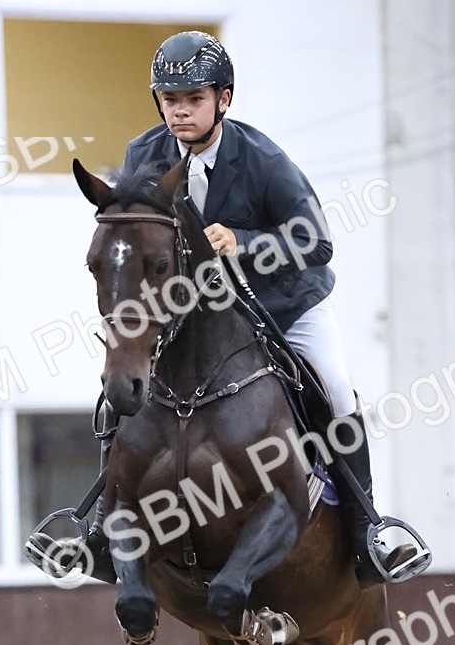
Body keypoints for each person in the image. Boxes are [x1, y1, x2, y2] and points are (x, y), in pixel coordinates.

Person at [82, 30, 429, 587]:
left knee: (336, 388)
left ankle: (369, 533)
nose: (180, 111)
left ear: (224, 99)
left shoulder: (263, 159)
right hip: (198, 312)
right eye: (170, 100)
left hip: (283, 303)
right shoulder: (142, 154)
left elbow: (316, 241)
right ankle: (102, 528)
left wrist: (243, 242)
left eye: (193, 99)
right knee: (118, 390)